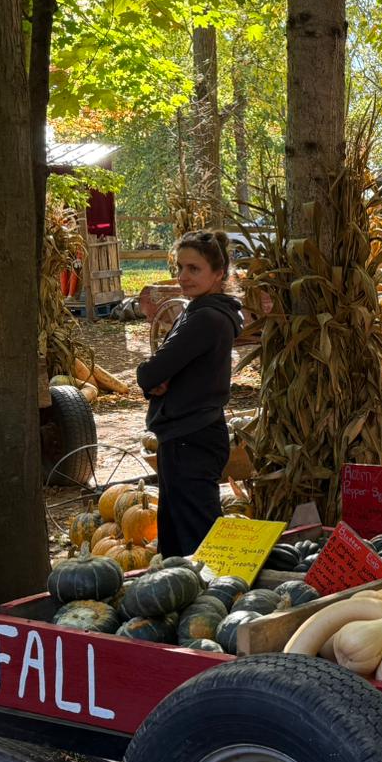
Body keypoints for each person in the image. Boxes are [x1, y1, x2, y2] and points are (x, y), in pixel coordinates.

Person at [136, 230, 244, 555]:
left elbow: (150, 373)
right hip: (186, 436)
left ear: (219, 274)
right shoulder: (200, 311)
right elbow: (166, 369)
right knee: (176, 542)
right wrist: (162, 374)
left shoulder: (207, 318)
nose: (183, 277)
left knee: (200, 546)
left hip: (191, 439)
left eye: (194, 269)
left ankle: (220, 603)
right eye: (180, 267)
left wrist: (155, 375)